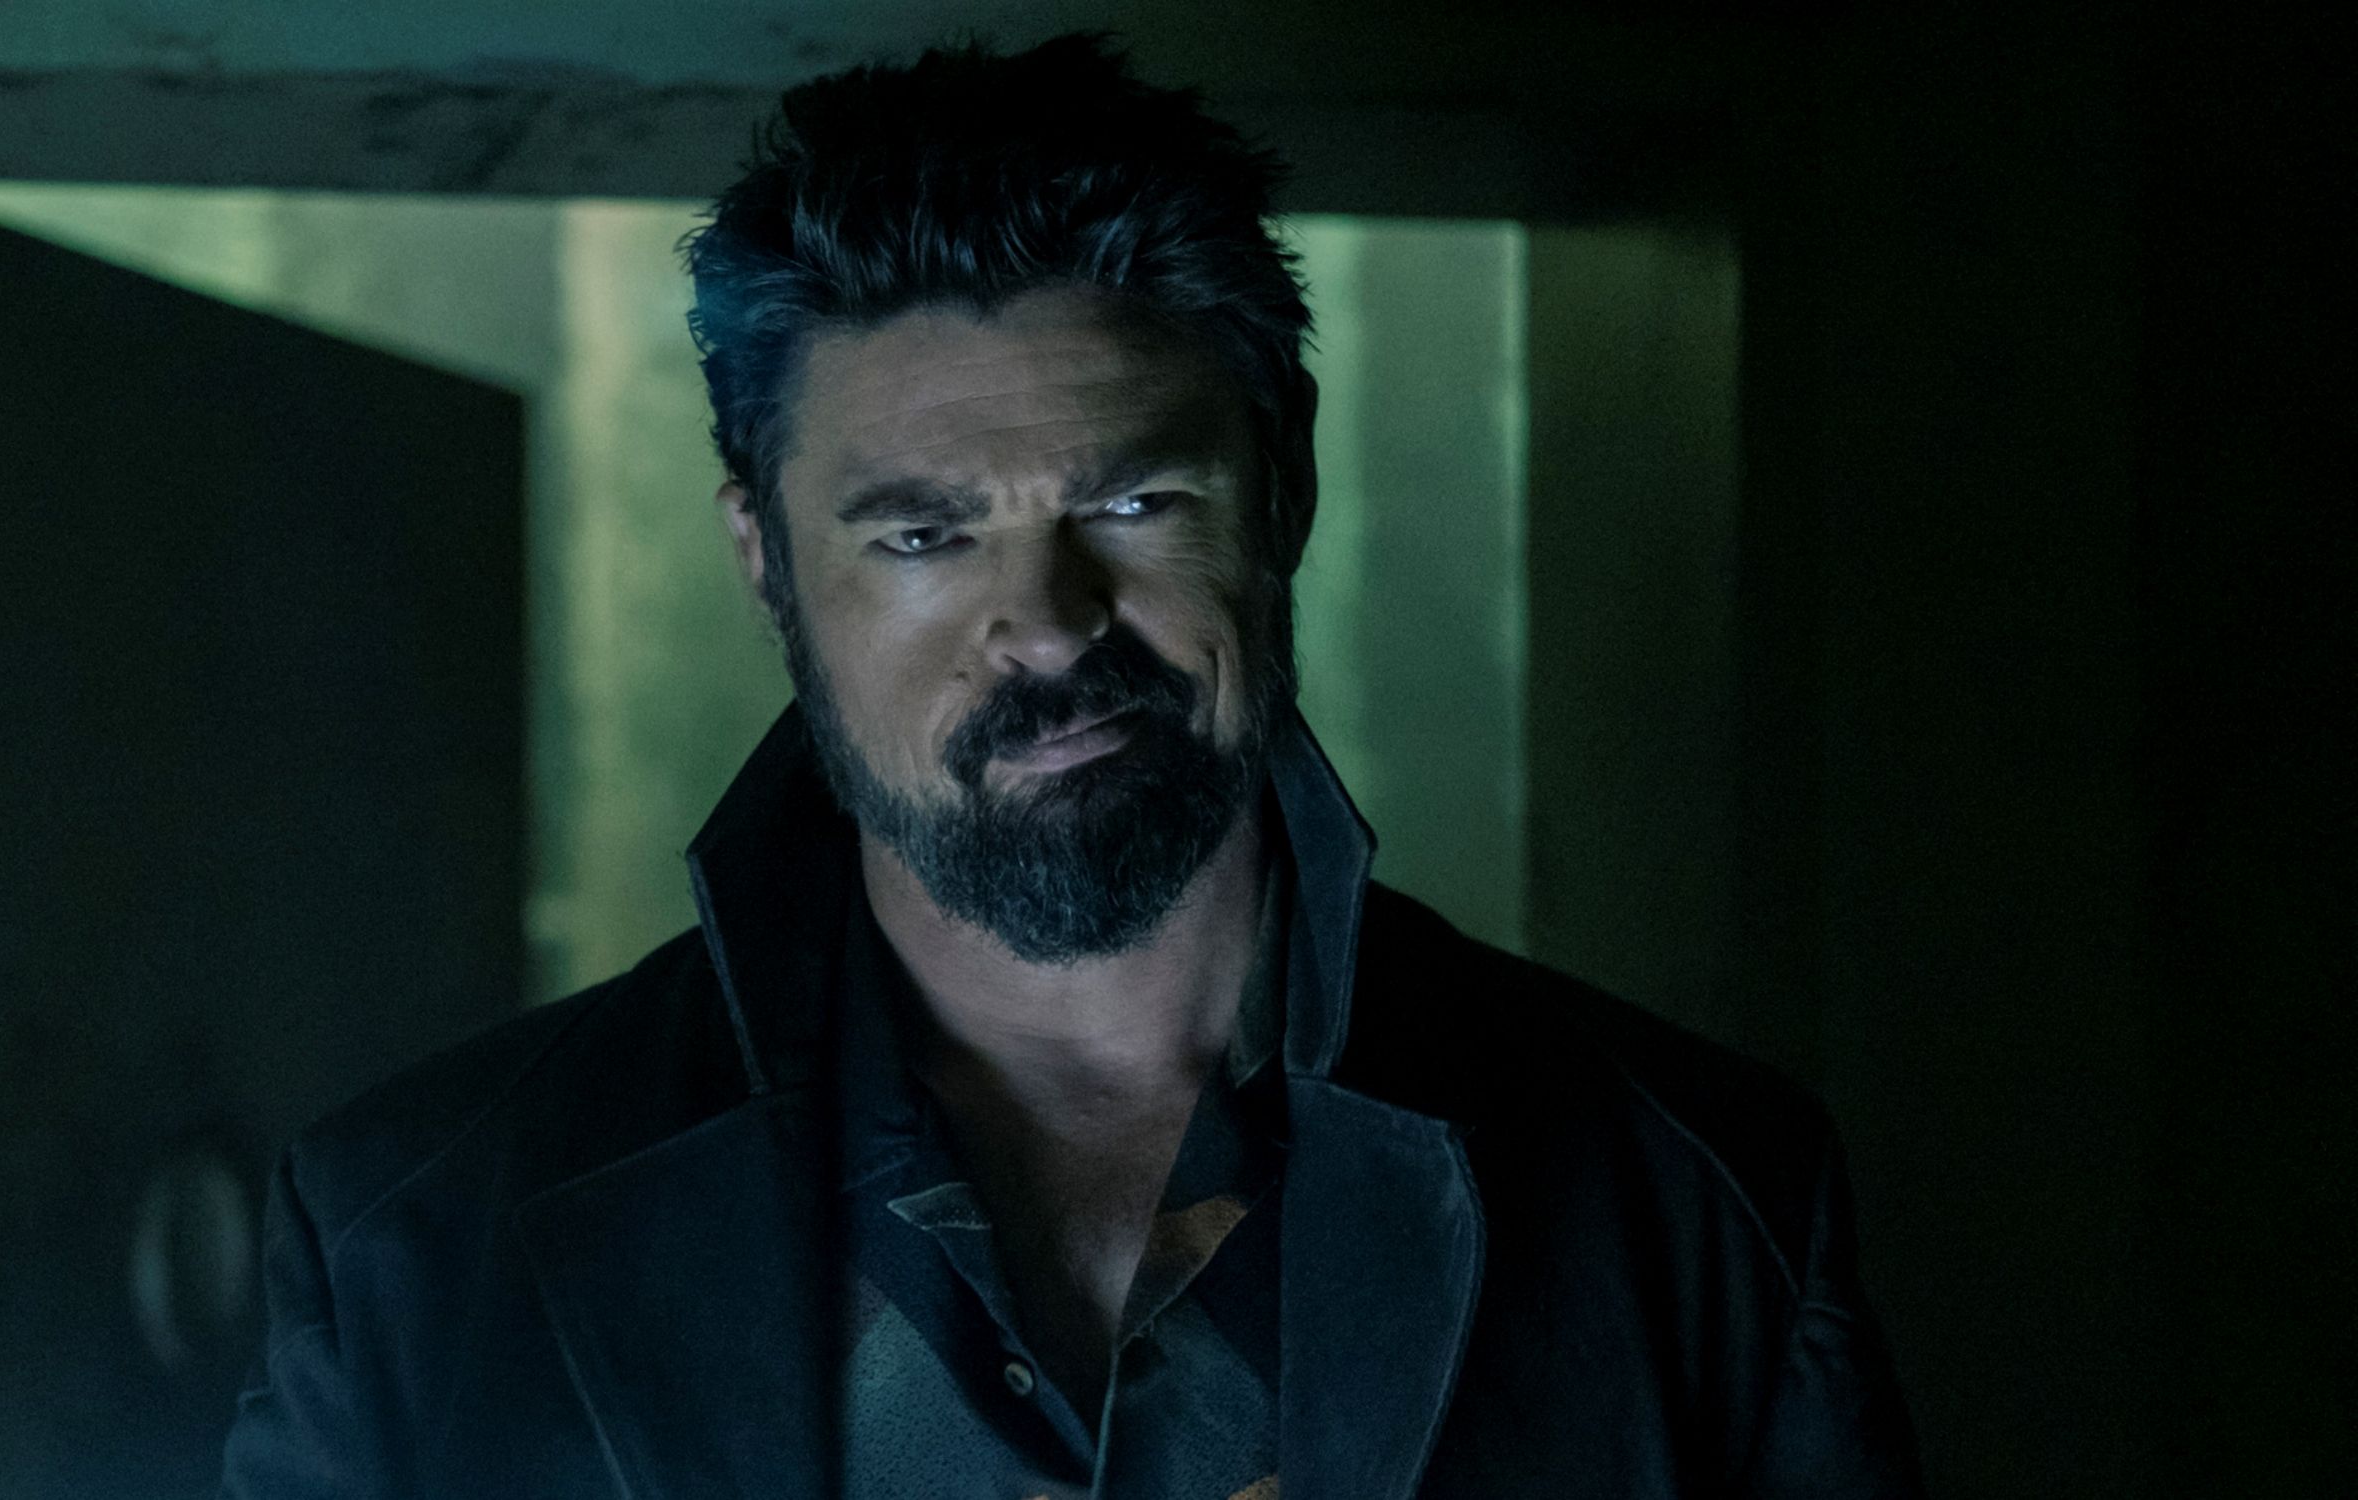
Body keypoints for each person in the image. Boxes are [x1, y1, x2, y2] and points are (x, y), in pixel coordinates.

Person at [220, 34, 1921, 1500]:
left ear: (1284, 489)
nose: (1044, 624)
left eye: (1130, 501)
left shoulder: (1704, 1206)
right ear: (764, 561)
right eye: (922, 535)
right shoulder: (411, 1244)